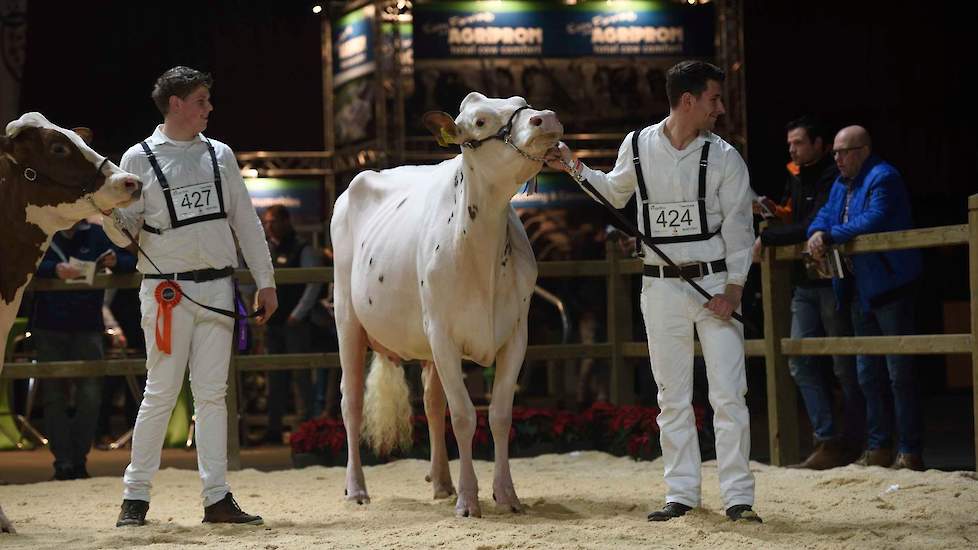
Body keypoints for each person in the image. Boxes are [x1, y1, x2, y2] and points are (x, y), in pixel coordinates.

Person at [547, 60, 760, 523]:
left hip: (713, 286)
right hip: (660, 287)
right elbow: (614, 192)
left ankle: (738, 496)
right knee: (671, 395)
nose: (719, 108)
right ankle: (681, 492)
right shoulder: (638, 145)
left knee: (728, 394)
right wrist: (574, 166)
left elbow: (742, 232)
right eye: (713, 99)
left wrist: (733, 292)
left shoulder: (725, 156)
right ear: (688, 101)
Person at [101, 66, 278, 527]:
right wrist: (108, 213)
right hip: (166, 294)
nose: (209, 107)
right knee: (159, 393)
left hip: (218, 287)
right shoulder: (137, 159)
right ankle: (135, 498)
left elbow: (245, 221)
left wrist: (266, 280)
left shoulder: (221, 154)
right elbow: (125, 236)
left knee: (213, 396)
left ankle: (217, 497)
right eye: (201, 100)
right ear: (175, 103)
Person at [806, 126, 923, 470]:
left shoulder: (883, 177)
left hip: (890, 286)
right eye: (836, 153)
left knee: (899, 374)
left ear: (864, 150)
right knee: (868, 374)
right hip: (860, 289)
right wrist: (816, 232)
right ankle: (878, 448)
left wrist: (827, 236)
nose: (837, 158)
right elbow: (825, 216)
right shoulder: (842, 184)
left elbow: (874, 219)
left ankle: (910, 451)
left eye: (844, 152)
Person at [754, 117, 865, 469]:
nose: (792, 149)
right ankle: (828, 440)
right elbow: (798, 221)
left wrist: (769, 236)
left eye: (799, 143)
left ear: (819, 144)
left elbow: (813, 225)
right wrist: (775, 213)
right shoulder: (796, 173)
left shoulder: (833, 176)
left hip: (831, 281)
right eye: (790, 143)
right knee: (800, 358)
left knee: (844, 364)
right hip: (805, 281)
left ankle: (858, 440)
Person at [32, 219, 135, 480]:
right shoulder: (45, 231)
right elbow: (25, 265)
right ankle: (63, 461)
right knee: (53, 396)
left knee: (90, 396)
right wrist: (53, 269)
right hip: (49, 325)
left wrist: (115, 262)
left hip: (89, 325)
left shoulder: (99, 234)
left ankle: (78, 459)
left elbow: (129, 262)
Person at [261, 204, 323, 443]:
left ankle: (305, 429)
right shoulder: (264, 250)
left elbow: (314, 283)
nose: (269, 226)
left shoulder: (303, 248)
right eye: (266, 222)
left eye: (273, 221)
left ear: (286, 221)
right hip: (272, 323)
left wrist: (298, 314)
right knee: (274, 378)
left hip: (296, 323)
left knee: (301, 377)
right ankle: (273, 428)